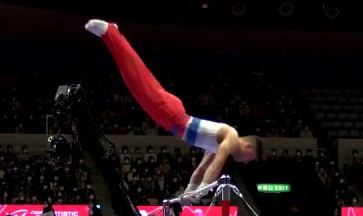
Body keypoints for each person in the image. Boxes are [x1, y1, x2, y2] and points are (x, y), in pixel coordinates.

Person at [86, 19, 262, 193]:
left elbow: (201, 170)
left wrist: (190, 191)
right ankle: (111, 31)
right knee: (137, 75)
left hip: (169, 120)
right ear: (249, 147)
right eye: (250, 158)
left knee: (131, 80)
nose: (246, 162)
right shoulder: (231, 135)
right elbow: (217, 165)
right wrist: (203, 189)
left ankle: (111, 37)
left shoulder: (217, 147)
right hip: (173, 114)